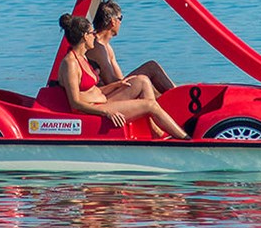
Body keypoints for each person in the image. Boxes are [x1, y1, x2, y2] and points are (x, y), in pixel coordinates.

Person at [55, 14, 188, 138]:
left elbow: (93, 90)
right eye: (92, 33)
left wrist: (116, 85)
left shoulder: (83, 57)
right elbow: (75, 103)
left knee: (141, 81)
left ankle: (155, 131)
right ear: (85, 36)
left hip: (102, 101)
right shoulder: (70, 63)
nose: (94, 36)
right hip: (93, 109)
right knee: (150, 105)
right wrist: (106, 112)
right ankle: (186, 139)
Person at [89, 0, 175, 94]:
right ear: (113, 21)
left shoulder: (106, 46)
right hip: (107, 94)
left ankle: (175, 94)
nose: (121, 22)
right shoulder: (97, 47)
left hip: (113, 88)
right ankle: (179, 95)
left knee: (150, 84)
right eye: (120, 18)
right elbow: (111, 82)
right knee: (151, 67)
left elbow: (119, 78)